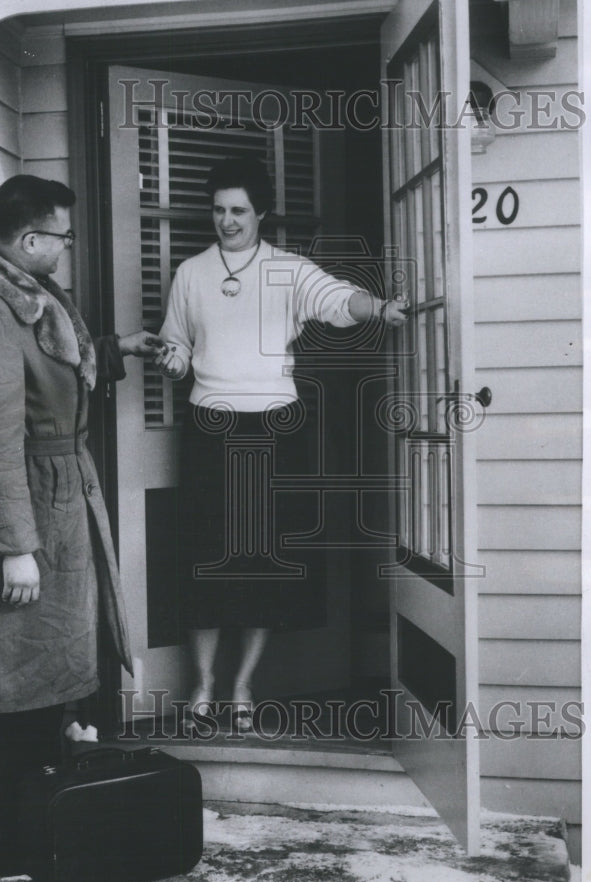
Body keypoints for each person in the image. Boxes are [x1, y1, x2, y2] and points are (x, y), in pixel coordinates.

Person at [0, 175, 162, 876]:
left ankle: (21, 820)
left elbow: (58, 372)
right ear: (29, 240)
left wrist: (125, 348)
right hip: (21, 513)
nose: (65, 246)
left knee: (36, 679)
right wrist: (14, 548)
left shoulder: (38, 298)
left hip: (55, 501)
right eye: (60, 235)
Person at [155, 156, 408, 731]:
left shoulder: (289, 270)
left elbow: (341, 300)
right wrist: (173, 360)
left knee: (258, 563)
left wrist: (381, 309)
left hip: (272, 427)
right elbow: (176, 346)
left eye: (238, 210)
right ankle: (203, 686)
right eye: (218, 209)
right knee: (205, 561)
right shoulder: (192, 273)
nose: (227, 220)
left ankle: (242, 688)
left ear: (261, 212)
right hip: (209, 429)